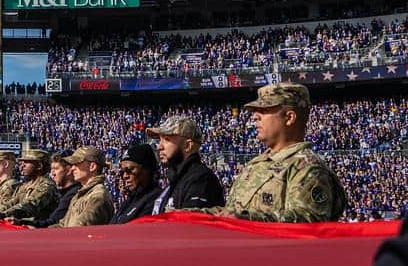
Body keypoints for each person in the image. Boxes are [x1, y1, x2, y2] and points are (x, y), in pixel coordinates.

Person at [211, 82, 347, 222]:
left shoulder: (308, 168)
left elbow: (307, 221)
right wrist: (196, 214)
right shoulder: (255, 164)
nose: (255, 116)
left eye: (264, 110)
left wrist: (247, 219)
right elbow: (230, 212)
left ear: (289, 118)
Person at [146, 115, 225, 214]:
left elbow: (190, 225)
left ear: (187, 145)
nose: (159, 147)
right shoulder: (177, 179)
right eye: (159, 140)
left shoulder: (200, 179)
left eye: (167, 140)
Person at [52, 146, 114, 227]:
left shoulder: (97, 196)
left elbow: (80, 229)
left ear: (92, 167)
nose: (72, 168)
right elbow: (63, 225)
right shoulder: (81, 194)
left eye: (77, 163)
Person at [0, 149, 57, 222]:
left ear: (39, 166)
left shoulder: (46, 185)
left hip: (38, 229)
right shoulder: (25, 185)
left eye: (26, 162)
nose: (22, 166)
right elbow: (12, 202)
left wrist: (5, 214)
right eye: (22, 162)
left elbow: (30, 204)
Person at [110, 144, 160, 224]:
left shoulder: (155, 199)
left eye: (129, 170)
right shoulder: (130, 200)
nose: (125, 176)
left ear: (146, 169)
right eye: (122, 172)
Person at [29, 153, 80, 228]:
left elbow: (53, 221)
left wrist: (25, 223)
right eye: (51, 169)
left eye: (56, 169)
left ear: (69, 170)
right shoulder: (63, 192)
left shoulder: (73, 194)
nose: (52, 174)